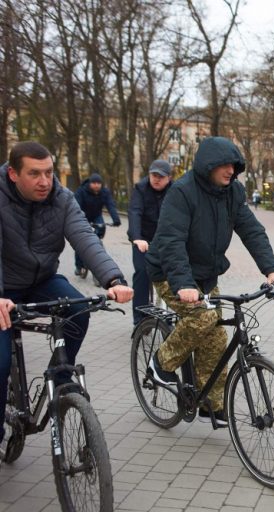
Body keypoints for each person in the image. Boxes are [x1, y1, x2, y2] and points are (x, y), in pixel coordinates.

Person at [144, 136, 274, 427]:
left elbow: (252, 231)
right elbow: (172, 241)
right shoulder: (182, 192)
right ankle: (160, 363)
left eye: (234, 166)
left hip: (207, 276)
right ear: (208, 164)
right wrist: (183, 283)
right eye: (224, 165)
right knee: (201, 319)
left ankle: (211, 403)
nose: (230, 171)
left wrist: (271, 269)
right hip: (171, 273)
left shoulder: (232, 193)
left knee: (217, 337)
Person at [0, 141, 133, 446]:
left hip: (41, 279)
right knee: (1, 362)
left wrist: (113, 279)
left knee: (78, 308)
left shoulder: (61, 198)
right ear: (13, 174)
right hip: (4, 286)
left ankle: (60, 374)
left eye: (48, 172)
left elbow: (84, 237)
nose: (44, 181)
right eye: (34, 174)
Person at [127, 159, 173, 325]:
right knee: (141, 273)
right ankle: (140, 319)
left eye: (161, 176)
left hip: (167, 240)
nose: (156, 179)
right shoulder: (140, 189)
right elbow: (135, 213)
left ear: (169, 178)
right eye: (153, 175)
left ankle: (171, 317)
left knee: (173, 275)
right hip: (144, 239)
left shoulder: (175, 191)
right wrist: (136, 237)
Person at [73, 171, 122, 277]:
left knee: (101, 227)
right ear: (90, 183)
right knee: (81, 242)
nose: (96, 185)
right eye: (94, 183)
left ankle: (96, 241)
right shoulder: (82, 191)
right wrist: (79, 219)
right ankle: (79, 265)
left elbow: (110, 205)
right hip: (82, 216)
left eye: (98, 183)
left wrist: (116, 219)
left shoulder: (104, 192)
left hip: (96, 216)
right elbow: (76, 206)